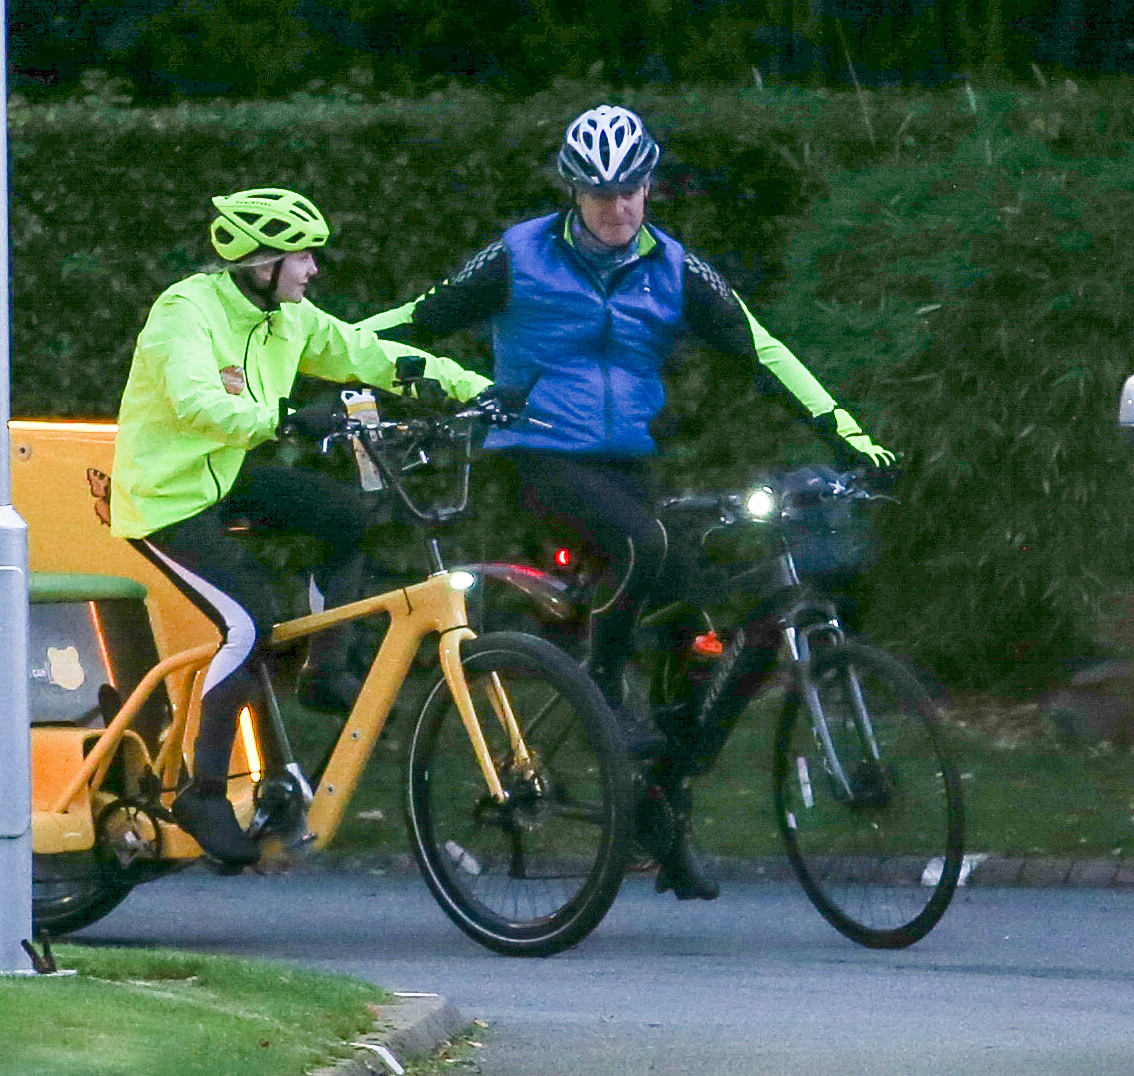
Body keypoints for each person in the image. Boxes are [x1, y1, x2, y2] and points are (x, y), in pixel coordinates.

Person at [364, 105, 897, 900]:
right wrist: (312, 361)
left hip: (627, 465)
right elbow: (414, 320)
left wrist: (847, 433)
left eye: (631, 192)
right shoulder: (519, 257)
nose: (618, 210)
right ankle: (606, 692)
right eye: (600, 194)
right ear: (572, 192)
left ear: (651, 185)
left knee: (696, 623)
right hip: (541, 456)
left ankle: (660, 808)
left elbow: (762, 348)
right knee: (643, 547)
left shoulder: (676, 268)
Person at [109, 187, 492, 867]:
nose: (313, 269)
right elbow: (196, 402)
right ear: (262, 264)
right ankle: (202, 794)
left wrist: (470, 387)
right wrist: (282, 419)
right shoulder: (184, 312)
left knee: (344, 515)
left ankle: (326, 670)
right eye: (302, 257)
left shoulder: (289, 317)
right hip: (164, 499)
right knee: (250, 622)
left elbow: (367, 353)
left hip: (223, 478)